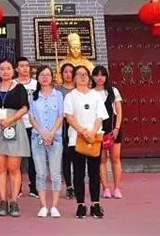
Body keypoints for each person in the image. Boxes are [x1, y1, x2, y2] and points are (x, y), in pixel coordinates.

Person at [0, 59, 30, 217]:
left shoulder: (19, 88)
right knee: (0, 167)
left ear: (13, 70)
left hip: (14, 126)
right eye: (2, 69)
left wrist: (10, 120)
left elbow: (24, 108)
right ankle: (3, 202)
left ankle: (14, 201)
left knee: (14, 167)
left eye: (8, 68)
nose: (5, 71)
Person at [63, 65, 108, 219]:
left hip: (94, 138)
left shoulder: (96, 95)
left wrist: (93, 132)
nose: (82, 77)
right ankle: (80, 204)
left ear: (89, 78)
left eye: (85, 74)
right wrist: (82, 131)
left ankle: (95, 204)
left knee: (94, 172)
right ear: (74, 78)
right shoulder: (70, 96)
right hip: (76, 138)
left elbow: (100, 116)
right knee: (79, 172)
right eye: (79, 74)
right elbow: (69, 117)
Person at [28, 66, 64, 218]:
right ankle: (43, 205)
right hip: (38, 137)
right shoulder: (33, 96)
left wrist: (52, 132)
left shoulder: (58, 95)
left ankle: (54, 206)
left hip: (55, 138)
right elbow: (31, 117)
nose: (44, 77)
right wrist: (42, 132)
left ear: (52, 77)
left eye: (47, 75)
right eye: (41, 75)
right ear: (37, 78)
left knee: (55, 173)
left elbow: (61, 115)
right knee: (40, 173)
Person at [92, 65, 124, 199]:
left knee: (115, 158)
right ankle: (105, 188)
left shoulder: (113, 91)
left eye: (102, 75)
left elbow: (119, 111)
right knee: (102, 160)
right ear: (93, 77)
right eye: (97, 75)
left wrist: (117, 128)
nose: (100, 78)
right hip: (98, 130)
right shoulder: (90, 93)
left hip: (113, 128)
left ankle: (117, 188)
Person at [15, 56, 38, 198]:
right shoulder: (12, 84)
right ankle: (17, 187)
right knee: (16, 158)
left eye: (27, 66)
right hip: (17, 124)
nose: (24, 68)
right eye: (21, 66)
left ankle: (34, 186)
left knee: (34, 157)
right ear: (16, 69)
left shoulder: (36, 84)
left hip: (33, 125)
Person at [56, 63, 76, 199]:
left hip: (77, 125)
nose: (68, 74)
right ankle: (69, 185)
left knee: (77, 156)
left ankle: (78, 183)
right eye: (65, 72)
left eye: (70, 72)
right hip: (63, 125)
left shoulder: (78, 90)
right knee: (66, 156)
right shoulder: (58, 90)